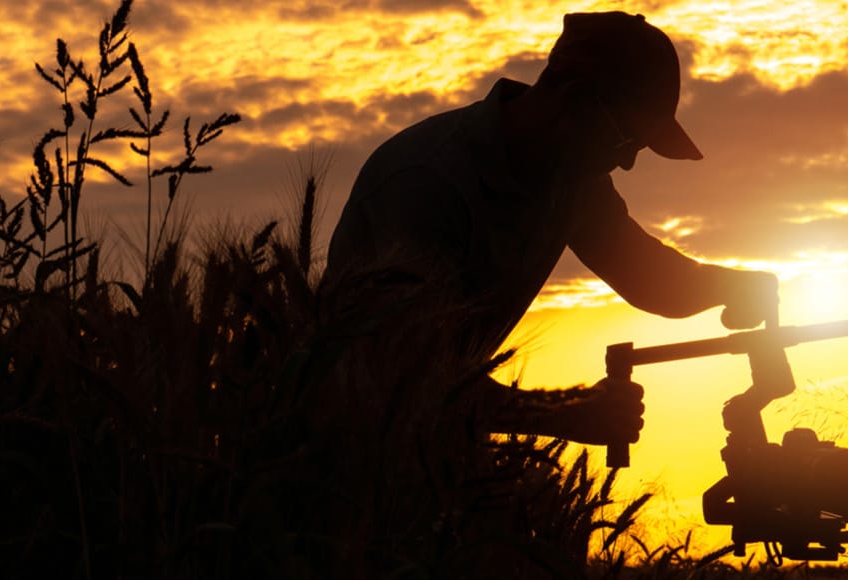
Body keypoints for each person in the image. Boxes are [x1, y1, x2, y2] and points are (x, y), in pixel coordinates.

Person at [323, 12, 779, 448]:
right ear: (575, 99)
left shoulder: (573, 177)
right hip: (336, 451)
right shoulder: (428, 184)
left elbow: (647, 277)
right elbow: (406, 374)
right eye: (627, 141)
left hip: (431, 446)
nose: (627, 161)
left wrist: (730, 285)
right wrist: (563, 413)